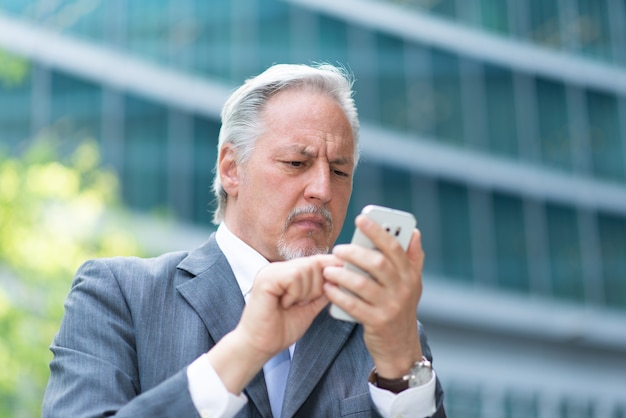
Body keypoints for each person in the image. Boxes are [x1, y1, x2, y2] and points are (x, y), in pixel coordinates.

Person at [43, 63, 446, 417]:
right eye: (296, 163)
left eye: (340, 171)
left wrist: (400, 369)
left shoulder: (387, 328)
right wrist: (245, 350)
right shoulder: (120, 295)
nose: (322, 189)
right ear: (231, 169)